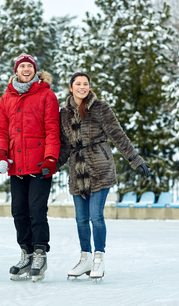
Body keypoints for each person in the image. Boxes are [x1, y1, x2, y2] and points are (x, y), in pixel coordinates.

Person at [57, 72, 151, 280]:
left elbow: (118, 135)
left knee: (96, 216)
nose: (82, 87)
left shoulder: (100, 108)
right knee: (81, 219)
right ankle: (85, 258)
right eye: (78, 84)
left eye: (86, 84)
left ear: (89, 87)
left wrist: (136, 160)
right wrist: (53, 165)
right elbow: (64, 145)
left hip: (100, 167)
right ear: (71, 88)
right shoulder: (64, 113)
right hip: (77, 170)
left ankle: (99, 257)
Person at [0, 53, 61, 282]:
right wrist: (1, 154)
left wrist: (51, 158)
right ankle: (26, 251)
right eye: (21, 66)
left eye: (29, 66)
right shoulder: (7, 98)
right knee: (19, 211)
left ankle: (40, 252)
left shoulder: (47, 95)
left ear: (35, 70)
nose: (25, 69)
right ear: (16, 70)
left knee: (37, 209)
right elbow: (1, 130)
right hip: (16, 165)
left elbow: (53, 129)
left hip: (40, 165)